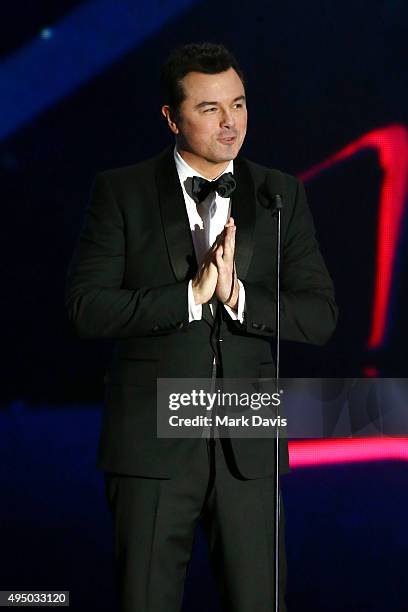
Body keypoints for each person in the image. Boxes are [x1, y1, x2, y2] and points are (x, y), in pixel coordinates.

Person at [65, 42, 338, 612]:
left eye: (238, 104)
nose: (230, 121)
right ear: (171, 117)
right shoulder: (122, 192)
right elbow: (86, 308)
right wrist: (189, 297)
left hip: (249, 438)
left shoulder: (279, 192)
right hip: (151, 443)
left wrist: (238, 295)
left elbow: (320, 316)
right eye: (210, 108)